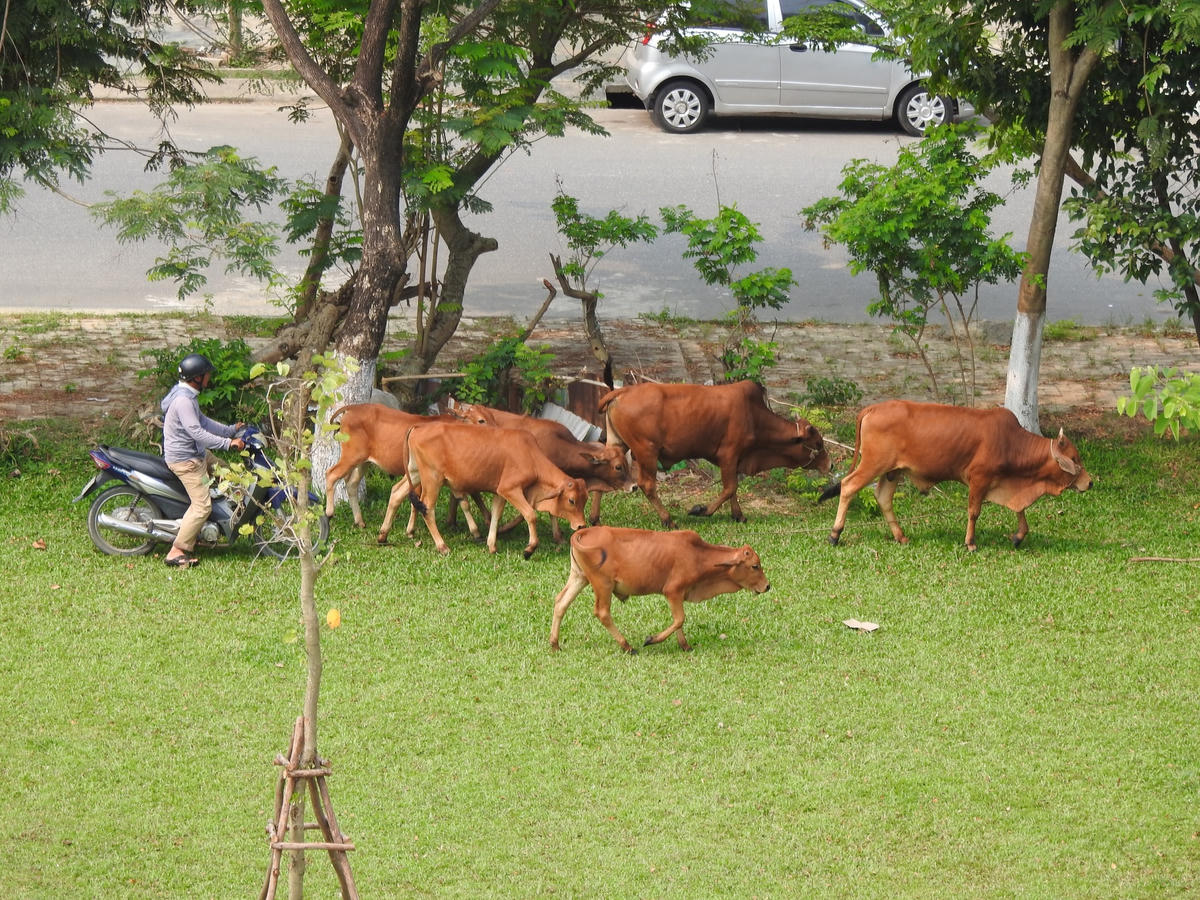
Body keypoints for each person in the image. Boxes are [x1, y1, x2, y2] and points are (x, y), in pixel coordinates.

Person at [160, 353, 245, 567]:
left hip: (196, 454)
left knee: (231, 474)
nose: (209, 378)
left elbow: (203, 421)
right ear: (196, 378)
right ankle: (176, 550)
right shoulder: (183, 401)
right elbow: (197, 432)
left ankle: (228, 517)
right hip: (186, 461)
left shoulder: (187, 395)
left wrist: (230, 430)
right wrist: (228, 443)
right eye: (206, 375)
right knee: (202, 506)